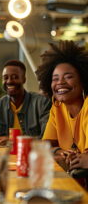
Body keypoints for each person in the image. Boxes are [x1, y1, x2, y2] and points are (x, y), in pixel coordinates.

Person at [36, 40, 88, 171]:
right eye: (55, 78)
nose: (60, 83)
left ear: (83, 81)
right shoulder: (57, 107)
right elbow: (46, 145)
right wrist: (59, 151)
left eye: (68, 77)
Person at [0, 60, 51, 145]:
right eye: (5, 77)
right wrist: (2, 140)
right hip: (7, 156)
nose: (9, 81)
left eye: (15, 77)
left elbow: (46, 138)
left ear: (24, 79)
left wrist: (15, 140)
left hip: (33, 155)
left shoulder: (41, 103)